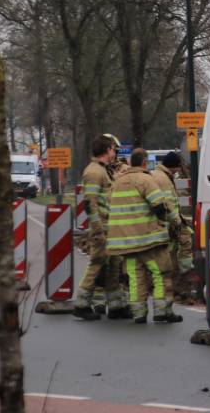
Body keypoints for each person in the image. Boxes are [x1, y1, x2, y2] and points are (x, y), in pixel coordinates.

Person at [106, 148, 182, 323]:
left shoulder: (117, 182)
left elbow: (110, 206)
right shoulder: (146, 179)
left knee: (135, 277)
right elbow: (160, 205)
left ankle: (139, 313)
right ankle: (162, 311)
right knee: (160, 273)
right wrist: (175, 222)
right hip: (149, 240)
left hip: (126, 243)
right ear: (145, 162)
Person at [72, 136, 132, 321]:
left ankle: (116, 306)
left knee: (114, 265)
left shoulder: (103, 170)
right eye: (113, 149)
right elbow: (90, 203)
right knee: (97, 263)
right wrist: (97, 229)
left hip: (110, 227)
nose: (115, 153)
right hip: (102, 228)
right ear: (107, 150)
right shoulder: (94, 172)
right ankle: (81, 304)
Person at [150, 152, 196, 291]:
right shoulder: (164, 179)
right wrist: (179, 224)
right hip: (167, 222)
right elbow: (169, 204)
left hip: (158, 223)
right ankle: (186, 276)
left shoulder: (157, 175)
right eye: (177, 168)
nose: (178, 171)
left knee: (167, 250)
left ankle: (173, 279)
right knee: (184, 240)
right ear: (172, 167)